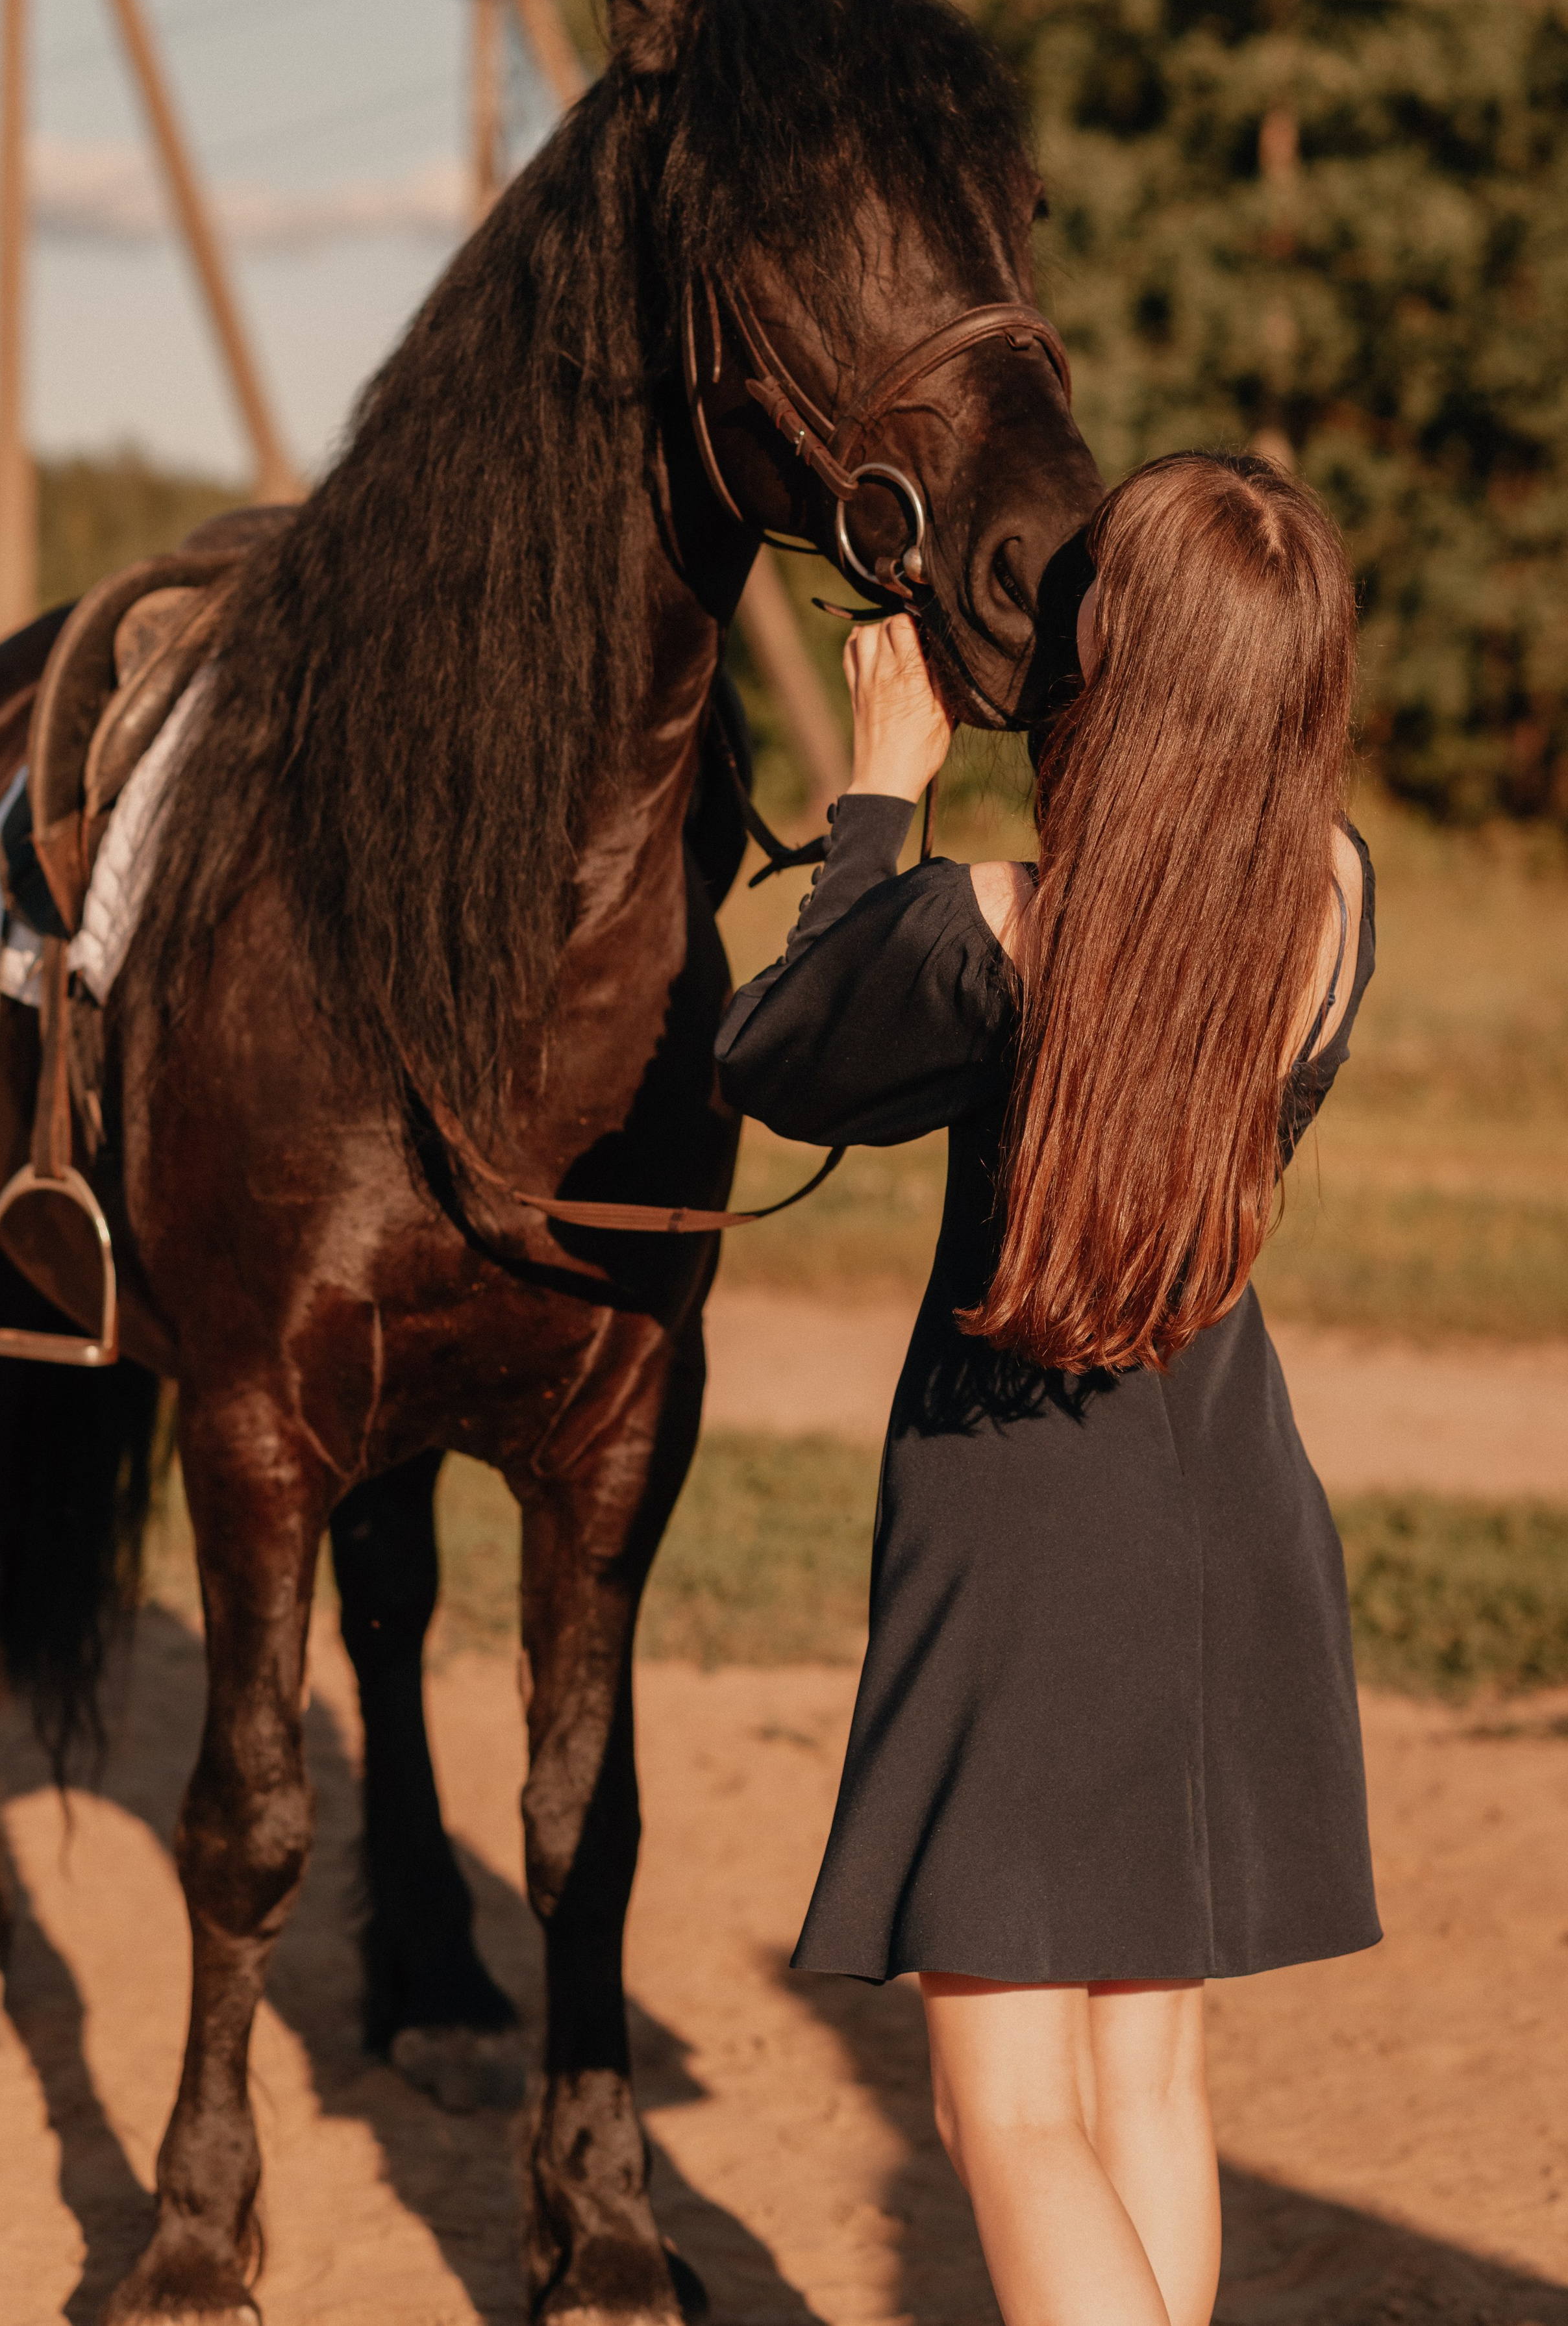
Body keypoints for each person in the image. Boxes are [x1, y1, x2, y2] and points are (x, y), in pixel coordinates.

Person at [714, 451, 1378, 2326]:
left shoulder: (994, 930)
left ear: (1114, 647)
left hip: (1020, 1530)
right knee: (1149, 2077)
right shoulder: (1333, 897)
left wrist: (878, 791)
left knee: (1007, 2108)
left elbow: (775, 1049)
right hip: (1232, 1508)